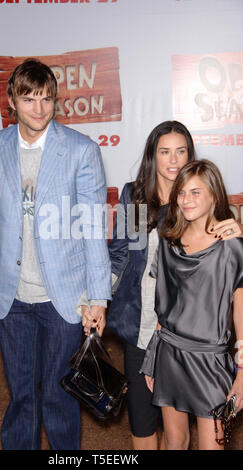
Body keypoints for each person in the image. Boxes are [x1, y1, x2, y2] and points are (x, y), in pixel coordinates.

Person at [0, 58, 111, 450]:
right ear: (11, 101)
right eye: (29, 99)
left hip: (63, 297)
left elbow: (94, 229)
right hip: (11, 296)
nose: (39, 108)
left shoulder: (81, 151)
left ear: (55, 101)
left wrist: (97, 297)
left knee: (59, 395)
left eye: (47, 99)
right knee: (21, 396)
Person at [107, 121, 242, 450]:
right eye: (164, 151)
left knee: (188, 429)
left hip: (198, 336)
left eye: (181, 151)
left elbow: (229, 276)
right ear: (153, 156)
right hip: (143, 326)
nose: (173, 159)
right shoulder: (137, 198)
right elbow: (122, 254)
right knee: (142, 421)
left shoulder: (204, 207)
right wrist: (96, 300)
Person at [142, 159, 243, 450]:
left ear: (215, 194)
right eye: (182, 193)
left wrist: (241, 372)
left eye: (196, 192)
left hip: (210, 361)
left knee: (214, 444)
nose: (186, 200)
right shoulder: (169, 239)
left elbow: (240, 315)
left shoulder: (231, 246)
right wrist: (152, 357)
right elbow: (165, 304)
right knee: (175, 442)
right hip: (170, 352)